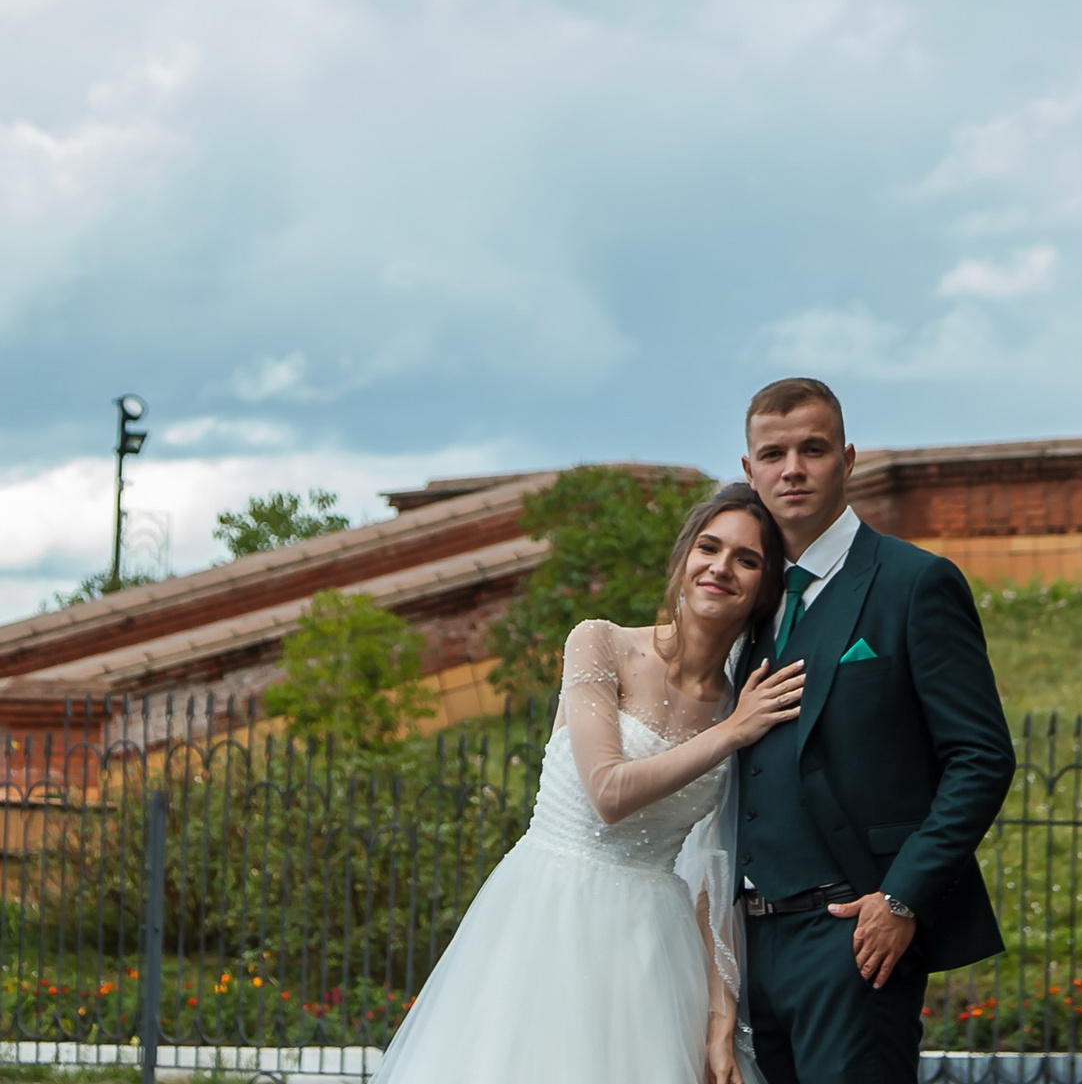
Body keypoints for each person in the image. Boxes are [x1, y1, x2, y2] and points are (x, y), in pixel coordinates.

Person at [373, 480, 802, 1084]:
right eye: (709, 547)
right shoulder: (601, 643)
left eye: (747, 559)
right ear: (682, 561)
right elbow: (608, 791)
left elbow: (714, 872)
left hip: (654, 948)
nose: (721, 567)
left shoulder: (744, 703)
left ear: (763, 590)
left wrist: (719, 1020)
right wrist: (730, 734)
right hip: (548, 915)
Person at [734, 376, 1016, 1084]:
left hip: (854, 934)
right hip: (742, 943)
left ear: (848, 458)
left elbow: (981, 757)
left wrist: (903, 897)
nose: (791, 468)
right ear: (749, 471)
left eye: (813, 448)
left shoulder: (915, 583)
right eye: (773, 454)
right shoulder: (746, 601)